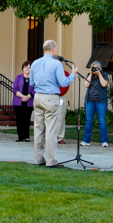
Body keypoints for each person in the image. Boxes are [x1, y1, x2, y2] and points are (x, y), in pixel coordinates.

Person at [30, 39, 76, 167]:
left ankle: (38, 159)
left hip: (38, 97)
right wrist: (73, 75)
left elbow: (32, 83)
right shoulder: (56, 64)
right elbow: (64, 83)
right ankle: (51, 161)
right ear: (54, 49)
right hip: (51, 97)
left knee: (38, 129)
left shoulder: (35, 63)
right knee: (51, 130)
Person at [82, 60, 110, 148]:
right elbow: (86, 85)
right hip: (90, 100)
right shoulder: (89, 75)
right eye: (93, 67)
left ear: (100, 68)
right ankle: (86, 141)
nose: (94, 69)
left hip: (101, 101)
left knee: (102, 121)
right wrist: (90, 74)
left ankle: (104, 141)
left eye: (96, 68)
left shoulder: (104, 75)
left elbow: (104, 84)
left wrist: (99, 74)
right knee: (88, 121)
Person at [12, 61, 34, 142]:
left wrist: (28, 96)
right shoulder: (18, 77)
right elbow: (15, 89)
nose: (27, 69)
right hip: (19, 101)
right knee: (19, 120)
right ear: (23, 68)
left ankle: (26, 136)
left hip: (29, 102)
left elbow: (35, 89)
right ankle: (20, 136)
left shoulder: (33, 78)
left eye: (29, 67)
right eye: (25, 67)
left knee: (27, 120)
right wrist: (23, 96)